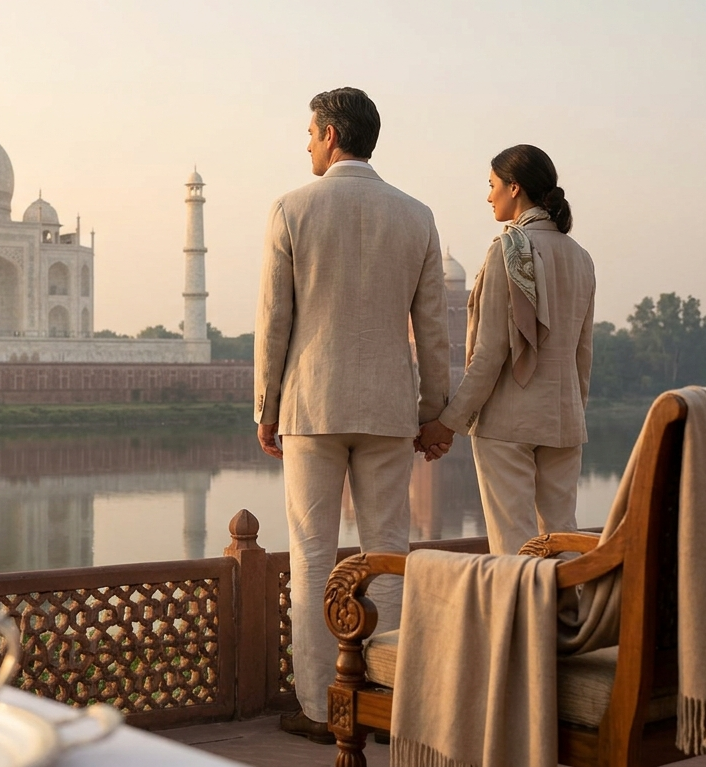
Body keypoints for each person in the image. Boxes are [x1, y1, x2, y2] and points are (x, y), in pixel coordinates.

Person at [254, 87, 449, 743]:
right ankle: (387, 699)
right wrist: (432, 412)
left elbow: (273, 322)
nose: (306, 144)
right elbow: (432, 329)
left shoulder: (292, 208)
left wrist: (265, 405)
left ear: (331, 136)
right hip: (389, 406)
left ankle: (321, 706)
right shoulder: (415, 215)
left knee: (312, 557)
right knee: (388, 553)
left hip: (311, 404)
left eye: (309, 133)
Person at [418, 145, 595, 555]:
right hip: (564, 419)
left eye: (492, 185)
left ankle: (522, 621)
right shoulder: (580, 258)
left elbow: (490, 354)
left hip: (508, 425)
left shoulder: (506, 251)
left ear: (514, 188)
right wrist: (572, 410)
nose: (488, 195)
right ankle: (567, 619)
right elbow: (581, 355)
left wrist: (448, 423)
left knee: (514, 544)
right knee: (563, 540)